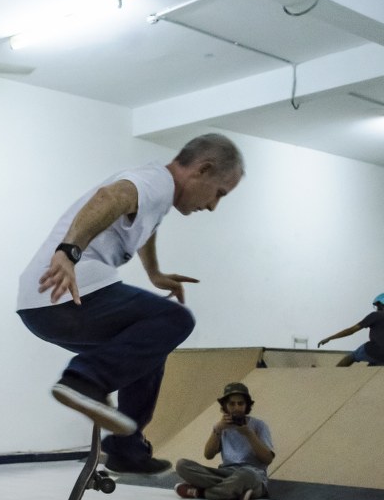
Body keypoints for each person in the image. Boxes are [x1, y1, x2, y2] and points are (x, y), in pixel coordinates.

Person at [16, 134, 245, 474]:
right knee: (176, 321)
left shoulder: (157, 190)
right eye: (219, 194)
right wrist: (69, 251)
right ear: (203, 169)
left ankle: (127, 447)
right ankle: (83, 380)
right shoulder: (153, 183)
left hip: (43, 306)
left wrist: (153, 272)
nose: (212, 206)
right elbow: (111, 197)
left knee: (150, 347)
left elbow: (143, 225)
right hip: (64, 290)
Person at [174, 382, 274, 500]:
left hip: (252, 474)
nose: (236, 407)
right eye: (231, 404)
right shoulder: (221, 427)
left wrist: (249, 434)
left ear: (247, 406)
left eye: (240, 403)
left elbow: (267, 459)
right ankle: (236, 492)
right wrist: (218, 429)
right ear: (225, 406)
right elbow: (208, 455)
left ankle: (201, 492)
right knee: (182, 465)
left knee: (246, 476)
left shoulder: (259, 425)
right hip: (226, 473)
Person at [316, 292, 384, 366]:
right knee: (371, 375)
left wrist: (330, 338)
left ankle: (333, 375)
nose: (376, 308)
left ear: (381, 304)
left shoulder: (376, 315)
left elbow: (352, 330)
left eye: (377, 305)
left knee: (352, 357)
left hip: (373, 350)